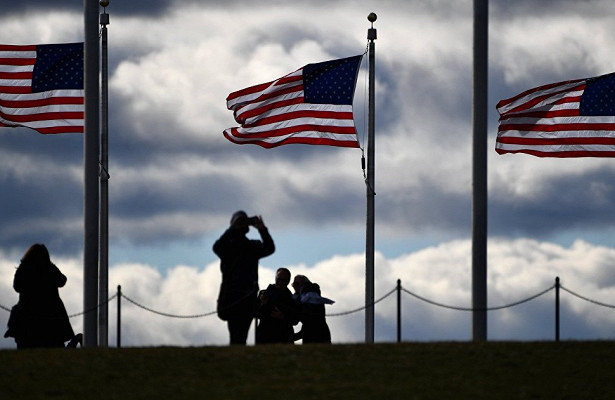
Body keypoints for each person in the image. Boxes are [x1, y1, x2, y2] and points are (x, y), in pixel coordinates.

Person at [213, 211, 275, 345]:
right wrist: (232, 229)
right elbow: (216, 247)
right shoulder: (227, 248)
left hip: (247, 295)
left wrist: (262, 230)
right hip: (233, 295)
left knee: (240, 334)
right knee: (236, 334)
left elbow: (270, 248)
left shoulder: (252, 246)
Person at [4, 244, 77, 349]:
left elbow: (17, 287)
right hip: (51, 315)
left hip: (27, 315)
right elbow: (62, 281)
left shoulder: (24, 268)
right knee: (53, 346)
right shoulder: (49, 268)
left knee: (27, 347)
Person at [255, 268, 297, 344]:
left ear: (288, 281)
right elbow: (256, 313)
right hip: (264, 335)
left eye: (283, 280)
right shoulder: (263, 293)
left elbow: (295, 320)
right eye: (278, 279)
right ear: (275, 278)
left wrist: (283, 317)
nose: (280, 282)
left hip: (282, 337)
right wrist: (263, 304)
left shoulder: (291, 299)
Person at [292, 274, 334, 344]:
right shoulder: (300, 298)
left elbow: (310, 322)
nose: (294, 286)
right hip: (315, 335)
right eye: (293, 284)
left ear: (304, 284)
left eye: (297, 284)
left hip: (318, 336)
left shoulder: (311, 298)